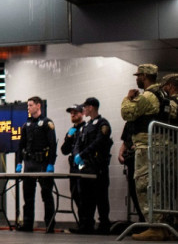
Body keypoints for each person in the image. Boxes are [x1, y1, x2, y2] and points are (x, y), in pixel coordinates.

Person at [121, 64, 170, 241]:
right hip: (161, 146)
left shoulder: (148, 96)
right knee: (160, 186)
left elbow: (127, 113)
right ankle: (165, 226)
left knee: (144, 185)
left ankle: (155, 226)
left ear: (145, 76)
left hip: (147, 147)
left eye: (139, 75)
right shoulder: (163, 95)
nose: (136, 78)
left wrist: (127, 99)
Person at [15, 96, 57, 233]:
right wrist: (19, 163)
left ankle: (49, 225)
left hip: (43, 164)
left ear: (38, 106)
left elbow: (52, 145)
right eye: (28, 105)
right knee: (28, 196)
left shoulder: (47, 123)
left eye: (30, 105)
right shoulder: (26, 125)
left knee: (46, 195)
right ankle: (27, 224)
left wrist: (51, 163)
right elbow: (20, 146)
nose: (28, 107)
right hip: (29, 163)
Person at [71, 97, 112, 235]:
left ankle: (104, 225)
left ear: (92, 107)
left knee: (101, 197)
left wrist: (82, 154)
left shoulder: (102, 123)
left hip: (98, 166)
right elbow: (77, 143)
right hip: (86, 167)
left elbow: (99, 142)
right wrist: (78, 155)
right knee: (86, 198)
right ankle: (86, 224)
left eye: (86, 107)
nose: (84, 109)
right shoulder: (86, 126)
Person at [60, 104, 85, 212]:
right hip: (73, 167)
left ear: (82, 113)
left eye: (75, 113)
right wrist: (69, 138)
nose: (73, 115)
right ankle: (81, 223)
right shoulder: (71, 131)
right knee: (74, 193)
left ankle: (86, 223)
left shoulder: (86, 128)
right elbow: (64, 150)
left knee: (83, 194)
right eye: (71, 113)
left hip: (84, 166)